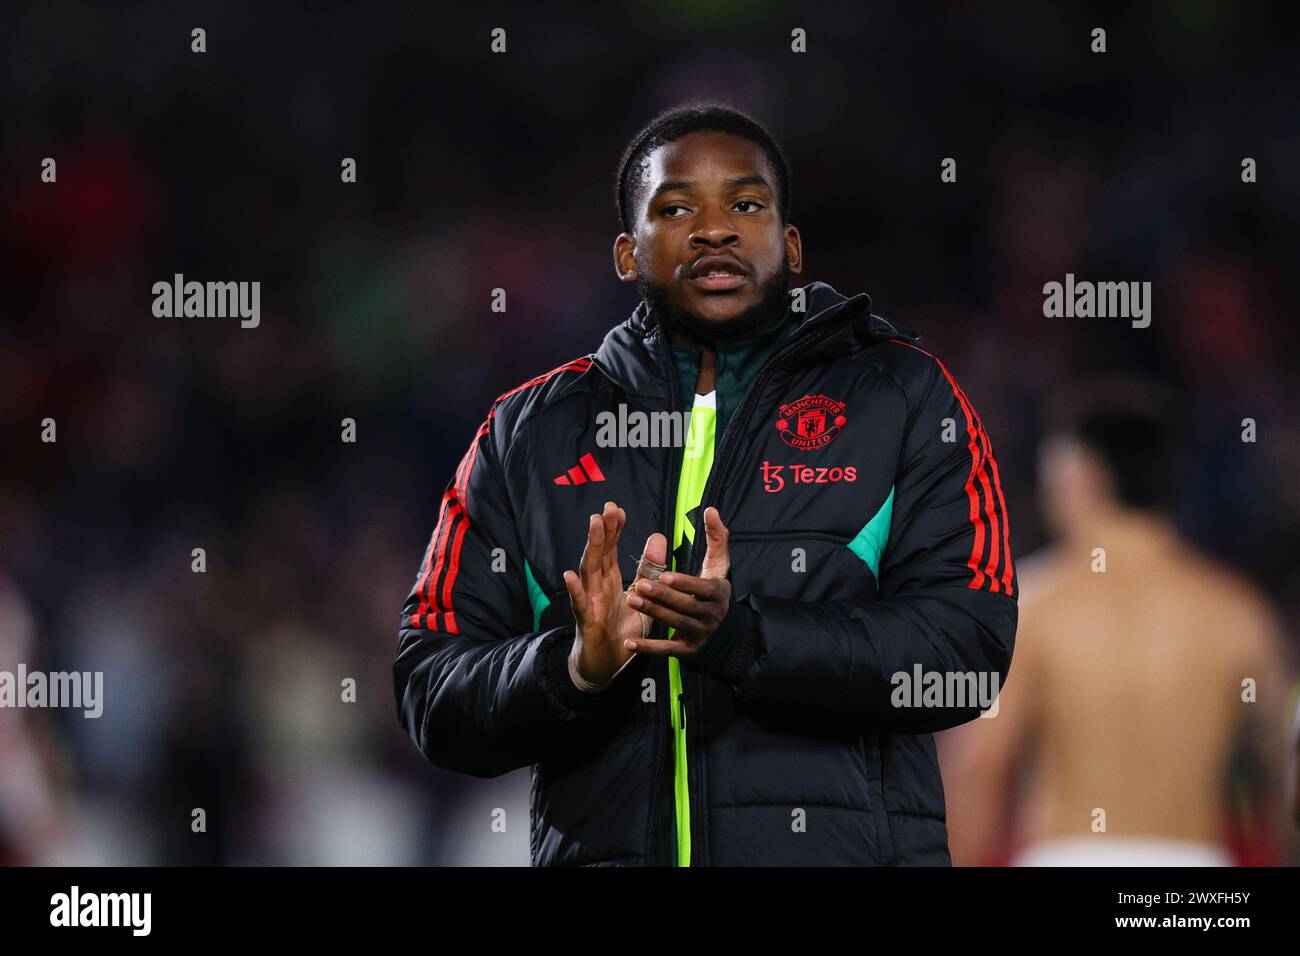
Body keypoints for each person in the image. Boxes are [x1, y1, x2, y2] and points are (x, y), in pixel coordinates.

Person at [393, 102, 1017, 866]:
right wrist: (576, 670)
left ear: (789, 244)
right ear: (627, 253)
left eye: (746, 205)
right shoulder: (527, 432)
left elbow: (966, 660)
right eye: (676, 206)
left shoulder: (904, 397)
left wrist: (748, 640)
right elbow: (432, 692)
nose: (715, 228)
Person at [942, 382, 1294, 866]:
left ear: (1080, 476)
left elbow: (980, 771)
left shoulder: (1036, 606)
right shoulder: (1236, 613)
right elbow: (1282, 772)